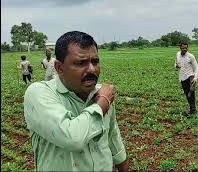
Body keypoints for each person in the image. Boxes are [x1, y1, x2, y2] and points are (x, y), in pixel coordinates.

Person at [23, 31, 129, 171]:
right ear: (59, 68)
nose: (92, 69)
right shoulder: (39, 93)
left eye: (95, 61)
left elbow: (113, 139)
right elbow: (72, 138)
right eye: (81, 63)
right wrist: (101, 104)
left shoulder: (102, 94)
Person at [175, 43, 198, 115]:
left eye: (186, 48)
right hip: (182, 77)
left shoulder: (190, 56)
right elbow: (176, 64)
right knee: (187, 94)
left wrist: (195, 77)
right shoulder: (178, 54)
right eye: (183, 48)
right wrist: (176, 66)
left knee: (191, 93)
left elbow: (197, 67)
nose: (185, 49)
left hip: (190, 76)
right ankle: (191, 109)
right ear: (180, 48)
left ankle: (194, 110)